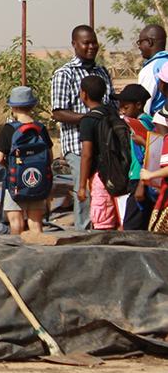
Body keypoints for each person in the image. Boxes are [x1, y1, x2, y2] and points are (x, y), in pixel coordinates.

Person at [49, 24, 116, 230]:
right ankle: (83, 237)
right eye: (86, 43)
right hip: (78, 146)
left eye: (94, 42)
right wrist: (92, 118)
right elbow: (59, 112)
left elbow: (111, 104)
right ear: (74, 45)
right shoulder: (64, 74)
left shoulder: (102, 71)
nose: (91, 46)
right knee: (84, 191)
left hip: (103, 145)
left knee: (104, 192)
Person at [0, 86, 50, 235]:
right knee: (36, 223)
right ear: (34, 106)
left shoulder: (9, 129)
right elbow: (49, 154)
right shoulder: (40, 128)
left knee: (16, 224)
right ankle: (39, 252)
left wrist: (9, 166)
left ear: (13, 107)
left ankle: (17, 256)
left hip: (14, 183)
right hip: (37, 182)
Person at [77, 75, 122, 230]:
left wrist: (82, 185)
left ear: (84, 94)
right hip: (119, 174)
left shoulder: (88, 120)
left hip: (100, 177)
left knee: (103, 224)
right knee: (119, 221)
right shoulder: (113, 113)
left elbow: (87, 155)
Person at [118, 84, 159, 230]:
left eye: (126, 107)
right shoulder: (146, 121)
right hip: (141, 179)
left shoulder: (142, 124)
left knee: (131, 226)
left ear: (139, 105)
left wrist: (141, 185)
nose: (122, 110)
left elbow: (150, 154)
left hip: (140, 179)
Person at [139, 25, 168, 118]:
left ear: (149, 42)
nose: (139, 47)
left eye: (140, 42)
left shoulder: (151, 69)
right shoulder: (165, 62)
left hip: (157, 126)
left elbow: (144, 105)